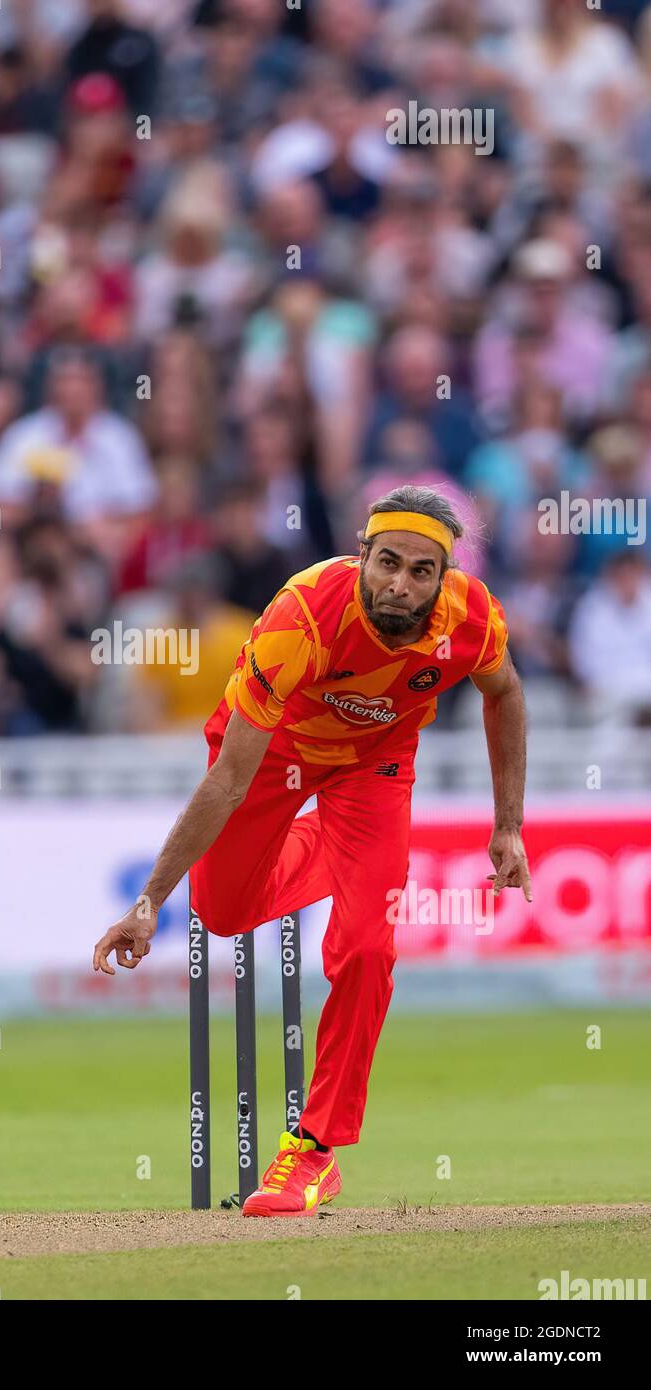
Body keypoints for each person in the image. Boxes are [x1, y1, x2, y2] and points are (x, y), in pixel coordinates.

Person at [92, 485, 532, 1217]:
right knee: (224, 912)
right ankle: (345, 857)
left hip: (374, 766)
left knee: (366, 948)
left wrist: (508, 824)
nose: (401, 583)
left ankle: (315, 1150)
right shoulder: (302, 618)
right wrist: (148, 904)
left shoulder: (472, 616)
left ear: (443, 577)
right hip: (271, 753)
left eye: (422, 571)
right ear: (363, 553)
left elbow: (505, 693)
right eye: (388, 562)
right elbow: (228, 781)